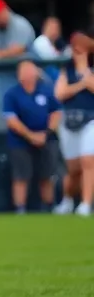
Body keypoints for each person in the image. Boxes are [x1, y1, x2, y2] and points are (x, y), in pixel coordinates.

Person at [3, 60, 61, 214]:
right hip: (19, 141)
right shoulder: (11, 94)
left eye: (30, 71)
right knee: (21, 176)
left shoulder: (47, 91)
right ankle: (20, 209)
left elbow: (56, 112)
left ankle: (48, 208)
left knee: (47, 175)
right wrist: (30, 135)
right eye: (24, 72)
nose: (27, 75)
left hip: (46, 139)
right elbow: (11, 120)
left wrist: (46, 133)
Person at [53, 35, 94, 216]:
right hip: (69, 121)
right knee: (73, 169)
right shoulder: (66, 70)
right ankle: (68, 200)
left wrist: (85, 71)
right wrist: (81, 84)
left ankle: (85, 204)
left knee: (88, 161)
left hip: (90, 119)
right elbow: (60, 94)